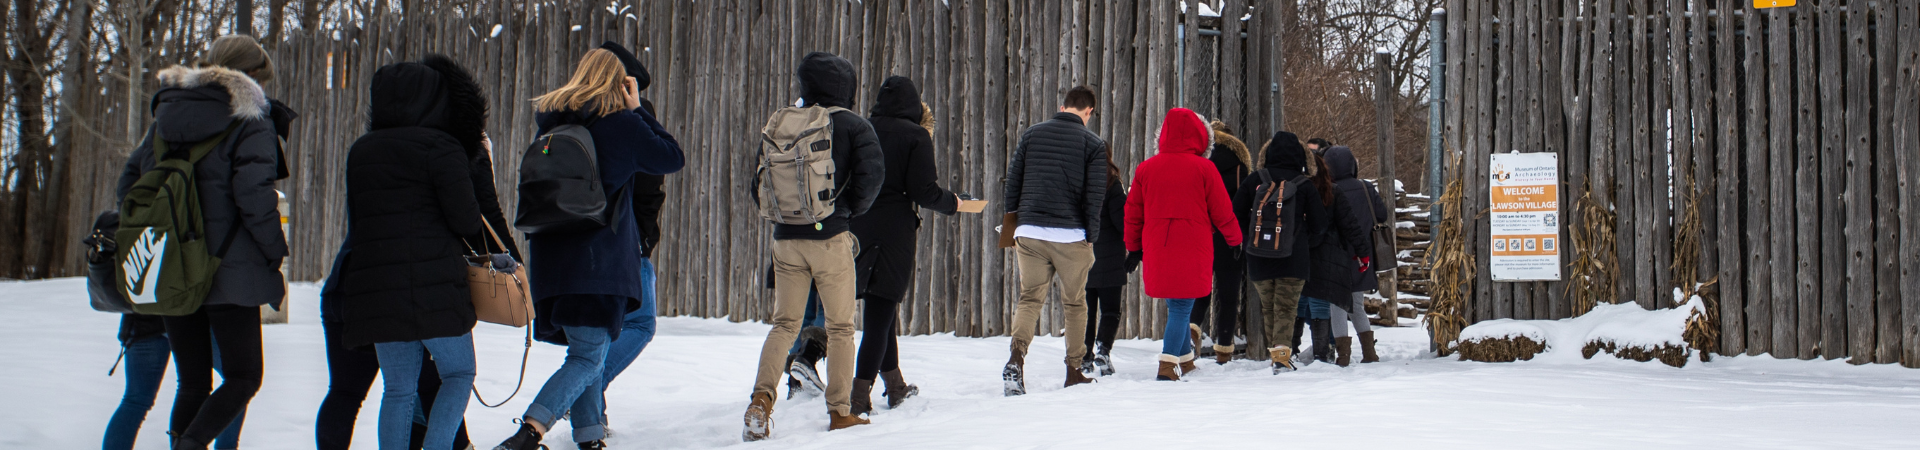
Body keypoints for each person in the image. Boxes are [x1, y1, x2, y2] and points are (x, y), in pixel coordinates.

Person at [495, 48, 685, 450]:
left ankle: (589, 438)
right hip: (597, 261)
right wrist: (638, 111)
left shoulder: (550, 125)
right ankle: (529, 432)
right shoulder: (621, 125)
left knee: (586, 353)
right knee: (587, 358)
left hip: (550, 259)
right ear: (621, 83)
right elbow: (671, 157)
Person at [315, 55, 502, 450]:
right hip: (434, 287)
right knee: (458, 375)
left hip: (375, 288)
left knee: (398, 389)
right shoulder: (443, 147)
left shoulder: (361, 150)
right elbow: (467, 220)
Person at [113, 35, 285, 450]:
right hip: (229, 268)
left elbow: (128, 188)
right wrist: (274, 250)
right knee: (244, 376)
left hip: (172, 267)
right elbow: (254, 198)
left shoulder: (165, 115)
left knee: (192, 382)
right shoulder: (252, 119)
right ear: (255, 76)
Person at [741, 51, 884, 440]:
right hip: (830, 238)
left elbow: (757, 185)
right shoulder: (854, 125)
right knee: (840, 327)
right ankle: (840, 411)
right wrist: (844, 213)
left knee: (784, 324)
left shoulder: (783, 123)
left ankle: (761, 401)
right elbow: (872, 179)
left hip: (785, 241)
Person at [848, 76, 961, 415]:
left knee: (880, 309)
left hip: (858, 226)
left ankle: (895, 386)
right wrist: (954, 203)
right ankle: (858, 395)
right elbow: (924, 191)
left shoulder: (861, 128)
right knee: (881, 312)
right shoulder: (915, 136)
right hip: (894, 230)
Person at [999, 86, 1108, 395]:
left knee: (1030, 298)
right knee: (1075, 303)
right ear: (1089, 112)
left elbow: (1013, 183)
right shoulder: (1093, 143)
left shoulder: (1032, 134)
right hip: (1070, 235)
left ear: (1063, 106)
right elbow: (1094, 197)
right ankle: (1074, 370)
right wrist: (1091, 237)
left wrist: (1014, 222)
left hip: (1030, 232)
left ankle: (1016, 360)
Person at [1124, 108, 1243, 381]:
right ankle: (1168, 365)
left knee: (1177, 303)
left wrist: (1133, 248)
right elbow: (1222, 211)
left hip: (1158, 245)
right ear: (1201, 138)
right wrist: (1234, 239)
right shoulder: (1205, 168)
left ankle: (1185, 359)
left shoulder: (1146, 168)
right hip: (1192, 246)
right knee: (1181, 306)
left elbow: (1133, 213)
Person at [590, 40, 666, 431]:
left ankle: (591, 418)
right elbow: (654, 179)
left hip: (575, 239)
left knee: (593, 331)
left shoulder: (570, 113)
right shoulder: (632, 115)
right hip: (625, 236)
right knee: (640, 324)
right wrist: (645, 237)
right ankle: (588, 390)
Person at [1233, 132, 1327, 374]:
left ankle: (1277, 354)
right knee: (1286, 307)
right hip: (1293, 257)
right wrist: (1304, 241)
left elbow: (1236, 212)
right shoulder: (1304, 185)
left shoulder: (1256, 179)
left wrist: (1248, 240)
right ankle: (1281, 356)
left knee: (1268, 307)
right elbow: (1320, 224)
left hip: (1258, 256)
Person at [1296, 149, 1369, 365]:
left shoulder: (1296, 190)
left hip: (1302, 254)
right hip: (1330, 255)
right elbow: (1351, 225)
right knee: (1325, 304)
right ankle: (1326, 353)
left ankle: (1291, 350)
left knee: (1300, 304)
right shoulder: (1333, 192)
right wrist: (1362, 252)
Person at [1320, 145, 1389, 366]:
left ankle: (1343, 356)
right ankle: (1369, 353)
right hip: (1362, 254)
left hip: (1336, 255)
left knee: (1337, 306)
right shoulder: (1366, 188)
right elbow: (1382, 214)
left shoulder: (1327, 190)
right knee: (1357, 305)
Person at [1200, 120, 1253, 365]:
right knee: (1229, 293)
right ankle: (1224, 349)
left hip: (1203, 231)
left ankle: (1191, 331)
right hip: (1232, 233)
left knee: (1200, 288)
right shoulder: (1241, 165)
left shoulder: (1201, 161)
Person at [1080, 144, 1135, 377]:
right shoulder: (1113, 184)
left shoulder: (1078, 182)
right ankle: (1103, 350)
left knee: (1086, 311)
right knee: (1111, 310)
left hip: (1082, 256)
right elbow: (1123, 222)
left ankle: (1084, 356)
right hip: (1110, 258)